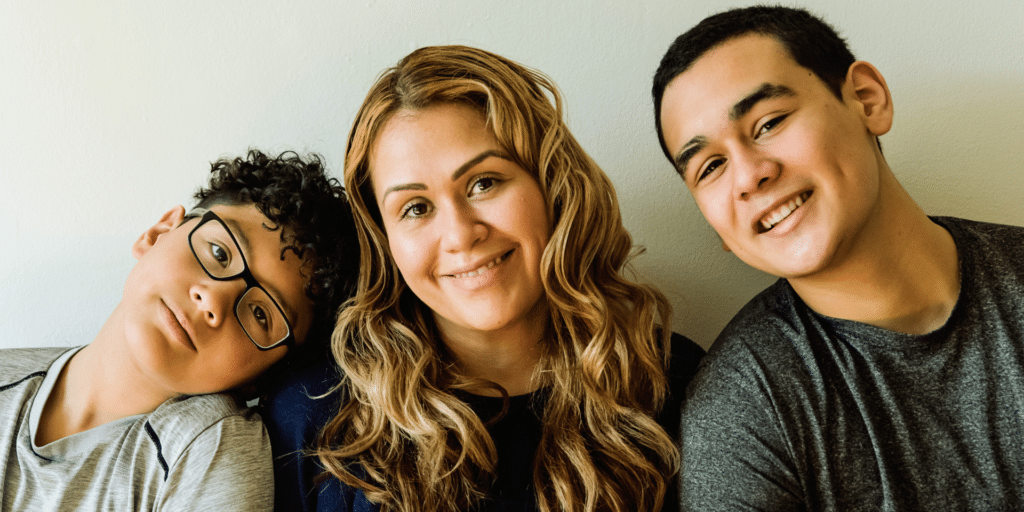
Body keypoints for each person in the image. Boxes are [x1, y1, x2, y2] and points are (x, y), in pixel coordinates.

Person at [264, 45, 705, 512]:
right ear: (384, 241)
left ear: (552, 185)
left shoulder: (671, 383)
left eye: (484, 183)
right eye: (415, 208)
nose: (459, 235)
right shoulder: (312, 418)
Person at [651, 5, 1024, 511]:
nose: (748, 177)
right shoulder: (744, 408)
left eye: (769, 123)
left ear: (867, 101)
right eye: (710, 166)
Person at [0, 150, 358, 510]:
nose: (212, 301)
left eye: (261, 314)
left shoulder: (209, 447)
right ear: (158, 233)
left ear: (260, 378)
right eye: (219, 253)